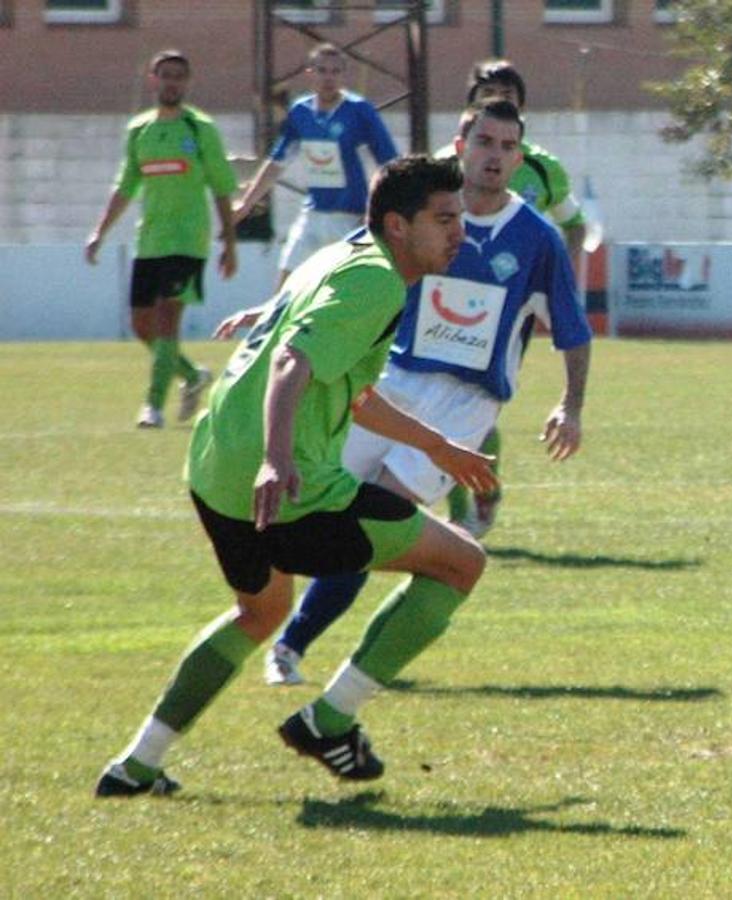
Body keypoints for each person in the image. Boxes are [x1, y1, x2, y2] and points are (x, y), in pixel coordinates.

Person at [94, 155, 496, 797]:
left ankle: (135, 765)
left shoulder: (339, 257)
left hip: (214, 468)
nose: (460, 233)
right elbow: (292, 361)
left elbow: (353, 389)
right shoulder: (377, 284)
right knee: (460, 565)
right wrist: (277, 458)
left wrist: (437, 447)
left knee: (260, 613)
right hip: (288, 490)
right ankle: (328, 720)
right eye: (444, 219)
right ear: (398, 224)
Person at [249, 98, 591, 687]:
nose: (496, 156)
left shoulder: (536, 239)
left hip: (464, 403)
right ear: (461, 147)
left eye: (509, 148)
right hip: (389, 381)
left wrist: (571, 404)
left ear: (519, 159)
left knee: (371, 519)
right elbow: (344, 262)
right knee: (319, 500)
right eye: (485, 142)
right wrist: (275, 305)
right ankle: (274, 625)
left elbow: (572, 328)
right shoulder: (422, 209)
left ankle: (291, 646)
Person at [442, 59, 591, 538]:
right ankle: (456, 506)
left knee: (476, 400)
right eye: (485, 92)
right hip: (440, 295)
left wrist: (556, 284)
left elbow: (574, 224)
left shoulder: (543, 171)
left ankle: (479, 488)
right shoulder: (441, 167)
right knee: (433, 403)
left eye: (504, 92)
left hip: (505, 308)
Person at [85, 49, 239, 429]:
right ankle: (191, 375)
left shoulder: (200, 129)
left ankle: (152, 406)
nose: (172, 82)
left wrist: (229, 243)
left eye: (179, 76)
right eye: (165, 75)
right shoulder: (140, 130)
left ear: (187, 82)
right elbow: (125, 186)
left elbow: (222, 188)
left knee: (169, 316)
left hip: (188, 241)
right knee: (141, 323)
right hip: (149, 241)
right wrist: (99, 233)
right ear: (153, 79)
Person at [233, 43, 400, 290]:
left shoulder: (359, 110)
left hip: (351, 218)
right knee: (286, 287)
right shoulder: (301, 112)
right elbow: (278, 161)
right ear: (310, 73)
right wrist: (246, 203)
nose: (328, 78)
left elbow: (389, 164)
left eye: (335, 71)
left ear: (343, 75)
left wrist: (378, 211)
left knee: (348, 291)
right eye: (322, 70)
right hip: (313, 214)